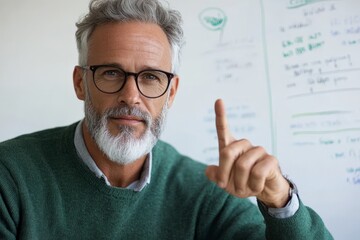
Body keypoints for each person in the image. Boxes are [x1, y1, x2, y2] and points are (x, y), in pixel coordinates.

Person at [0, 0, 333, 239]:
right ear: (80, 83)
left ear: (171, 92)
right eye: (111, 72)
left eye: (151, 77)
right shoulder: (11, 175)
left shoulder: (205, 192)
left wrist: (280, 201)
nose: (131, 96)